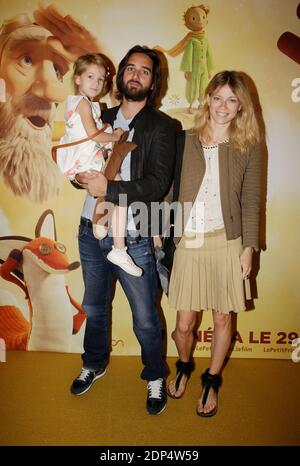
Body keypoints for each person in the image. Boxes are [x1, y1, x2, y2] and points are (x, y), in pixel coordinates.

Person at [70, 45, 177, 415]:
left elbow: (157, 183)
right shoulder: (99, 115)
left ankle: (155, 374)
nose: (135, 75)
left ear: (153, 81)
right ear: (119, 76)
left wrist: (109, 189)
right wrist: (80, 177)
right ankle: (94, 363)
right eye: (129, 68)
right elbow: (79, 158)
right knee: (94, 306)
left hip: (133, 236)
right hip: (89, 228)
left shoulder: (163, 127)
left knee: (145, 315)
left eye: (144, 71)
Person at [166, 70, 261, 417]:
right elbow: (170, 190)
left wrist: (248, 247)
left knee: (223, 319)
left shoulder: (247, 146)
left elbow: (251, 199)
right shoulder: (184, 140)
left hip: (227, 242)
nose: (224, 106)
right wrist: (163, 229)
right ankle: (186, 364)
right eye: (218, 97)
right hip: (189, 243)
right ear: (207, 98)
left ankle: (212, 378)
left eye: (232, 100)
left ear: (240, 107)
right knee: (184, 325)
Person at [0, 4, 106, 202]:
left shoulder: (60, 134)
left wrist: (101, 59)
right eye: (27, 60)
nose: (55, 93)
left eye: (57, 71)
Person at [56, 53, 142, 277]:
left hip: (87, 158)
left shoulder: (90, 105)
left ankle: (106, 233)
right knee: (118, 189)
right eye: (91, 77)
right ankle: (119, 247)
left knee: (115, 188)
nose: (96, 83)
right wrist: (114, 137)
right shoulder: (83, 105)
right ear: (77, 79)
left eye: (101, 79)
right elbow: (94, 135)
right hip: (85, 160)